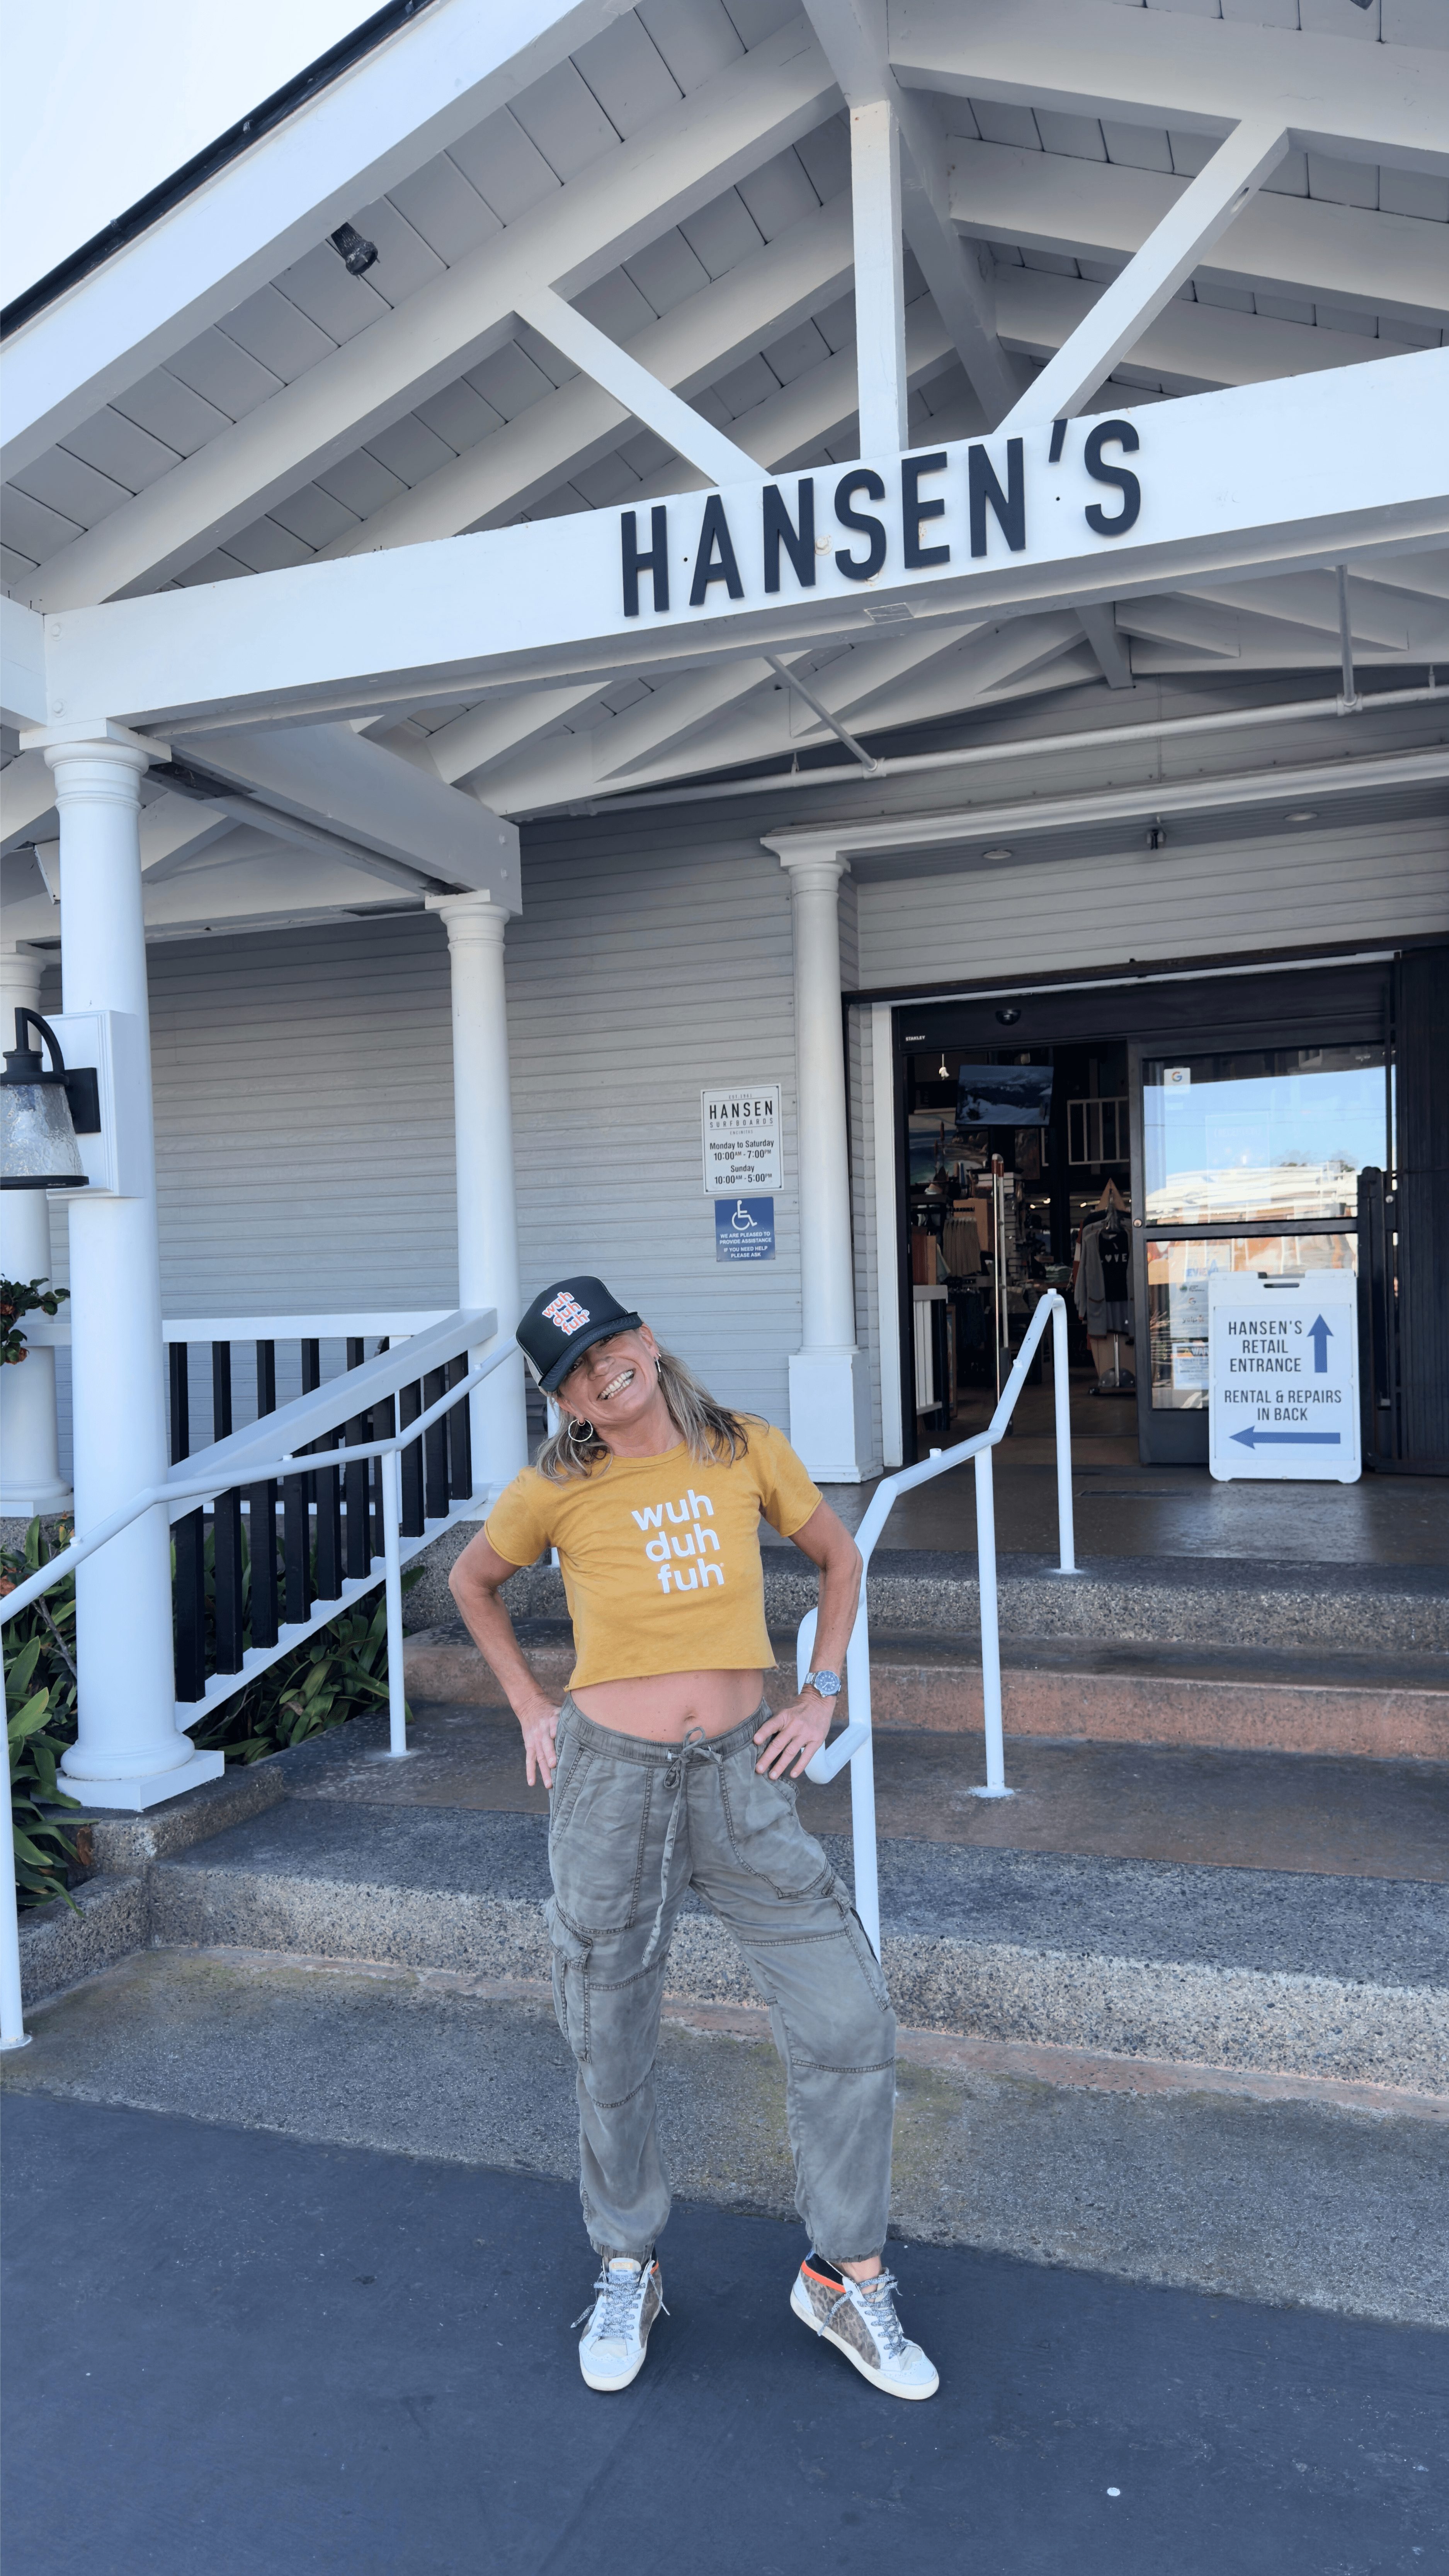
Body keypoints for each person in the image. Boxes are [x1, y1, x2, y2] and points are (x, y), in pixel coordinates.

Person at [449, 1275, 938, 2404]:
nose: (601, 1371)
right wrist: (532, 1707)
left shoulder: (744, 1448)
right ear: (564, 1400)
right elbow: (474, 1582)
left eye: (610, 1344)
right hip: (611, 1784)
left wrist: (821, 1692)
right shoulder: (555, 1487)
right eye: (575, 1369)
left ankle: (843, 2272)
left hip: (740, 1774)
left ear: (646, 1339)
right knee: (608, 2028)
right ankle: (628, 2259)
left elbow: (840, 1558)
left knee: (847, 2014)